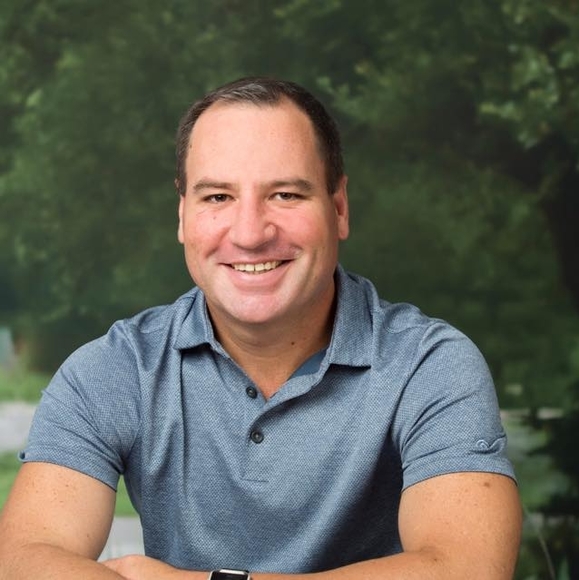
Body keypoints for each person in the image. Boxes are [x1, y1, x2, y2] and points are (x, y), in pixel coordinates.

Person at [0, 77, 522, 579]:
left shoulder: (430, 365)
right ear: (182, 215)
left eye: (286, 195)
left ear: (339, 208)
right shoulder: (116, 368)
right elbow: (23, 560)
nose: (250, 234)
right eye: (217, 197)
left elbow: (466, 571)